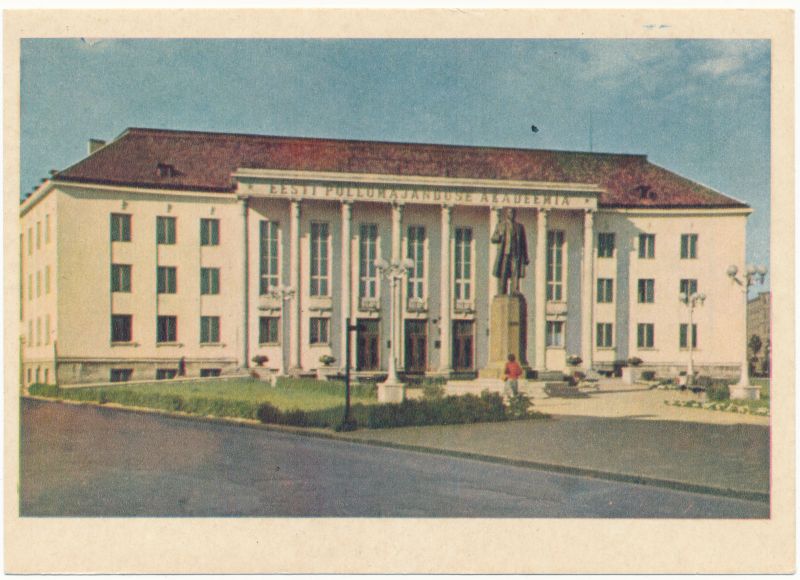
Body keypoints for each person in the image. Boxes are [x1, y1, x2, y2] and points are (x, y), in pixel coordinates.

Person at [491, 208, 529, 295]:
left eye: (513, 212)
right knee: (503, 272)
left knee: (515, 272)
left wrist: (526, 257)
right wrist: (499, 236)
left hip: (515, 254)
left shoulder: (519, 227)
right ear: (507, 214)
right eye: (510, 212)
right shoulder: (501, 225)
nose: (511, 214)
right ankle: (502, 291)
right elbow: (493, 239)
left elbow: (523, 244)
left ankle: (515, 290)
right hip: (505, 253)